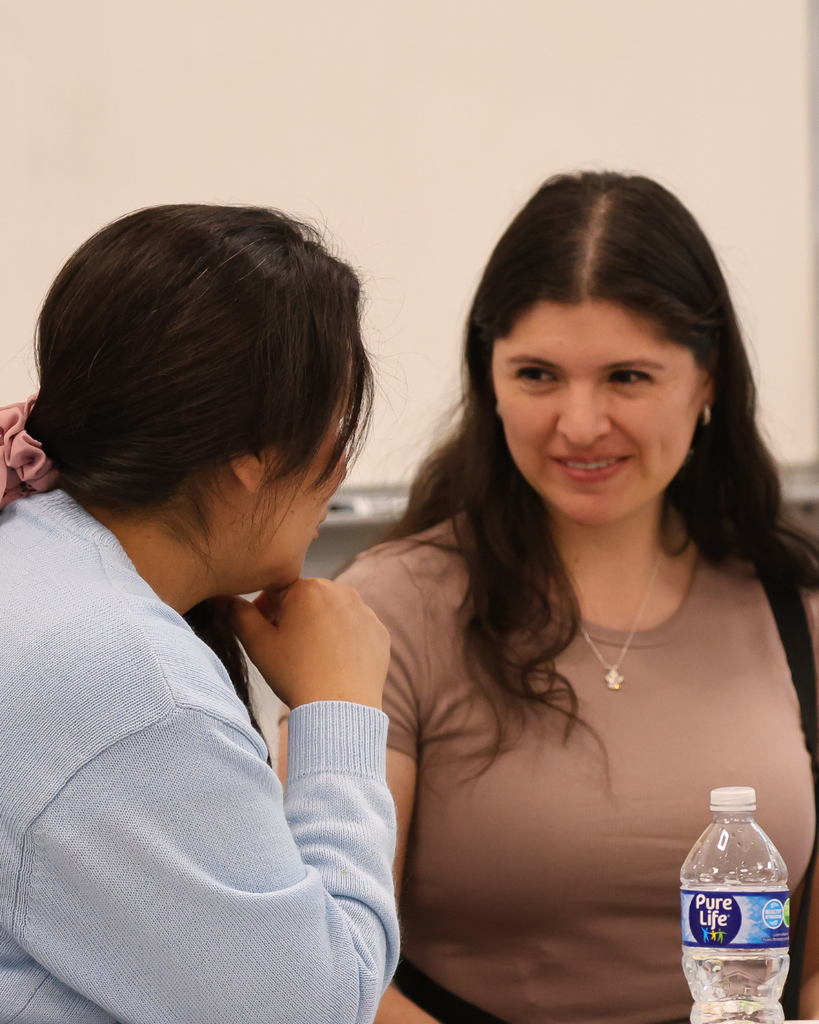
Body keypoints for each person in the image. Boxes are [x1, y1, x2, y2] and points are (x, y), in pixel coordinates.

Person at [335, 172, 819, 1024]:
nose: (581, 424)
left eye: (628, 377)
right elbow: (328, 970)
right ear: (487, 377)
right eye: (537, 375)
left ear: (707, 383)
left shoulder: (798, 610)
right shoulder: (387, 611)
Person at [0, 205, 399, 1024]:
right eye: (333, 421)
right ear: (251, 455)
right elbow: (313, 1008)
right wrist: (340, 712)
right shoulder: (118, 675)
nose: (343, 459)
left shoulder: (32, 548)